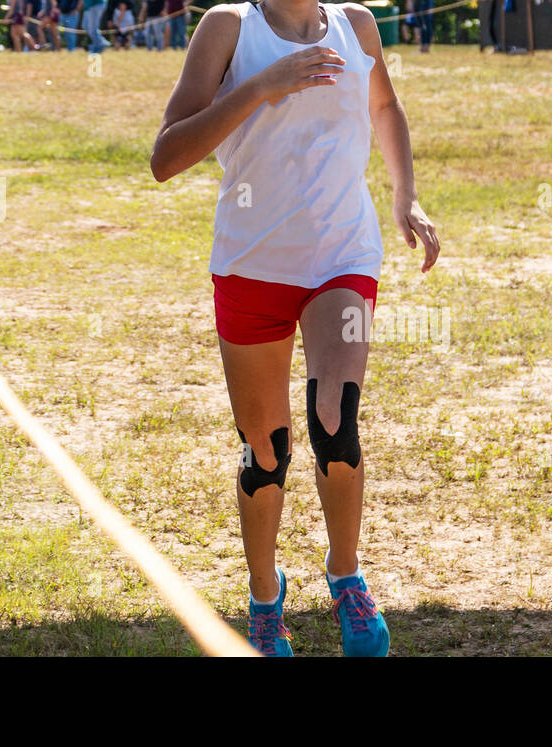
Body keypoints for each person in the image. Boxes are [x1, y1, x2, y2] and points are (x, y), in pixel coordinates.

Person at [150, 0, 440, 656]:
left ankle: (345, 575)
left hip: (343, 259)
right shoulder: (228, 28)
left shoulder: (356, 24)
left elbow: (385, 108)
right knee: (265, 451)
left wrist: (405, 194)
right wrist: (259, 87)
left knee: (335, 421)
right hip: (252, 266)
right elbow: (165, 156)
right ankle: (263, 597)